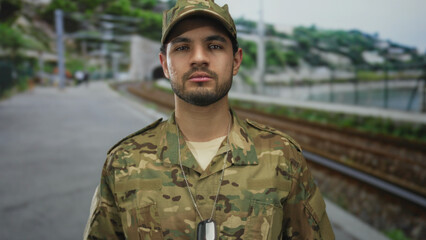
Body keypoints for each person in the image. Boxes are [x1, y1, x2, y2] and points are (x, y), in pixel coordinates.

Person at [84, 0, 335, 239]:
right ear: (164, 64)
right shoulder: (124, 162)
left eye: (214, 46)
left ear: (236, 61)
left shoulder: (283, 157)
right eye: (182, 48)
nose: (199, 58)